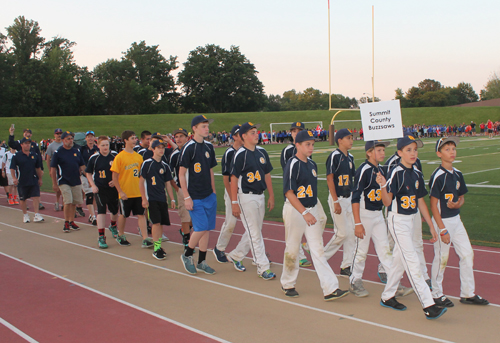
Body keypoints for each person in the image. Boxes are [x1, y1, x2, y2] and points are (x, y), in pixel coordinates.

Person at [378, 134, 447, 319]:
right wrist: (382, 186)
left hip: (410, 219)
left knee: (400, 260)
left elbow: (420, 201)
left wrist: (431, 225)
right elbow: (386, 202)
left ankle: (387, 296)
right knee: (412, 260)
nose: (413, 153)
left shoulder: (416, 173)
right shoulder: (396, 172)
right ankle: (428, 304)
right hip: (397, 220)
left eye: (415, 149)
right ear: (399, 152)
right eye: (408, 150)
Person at [281, 130, 349, 300]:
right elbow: (289, 192)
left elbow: (311, 192)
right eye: (307, 144)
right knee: (293, 247)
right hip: (296, 211)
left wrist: (313, 211)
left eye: (312, 144)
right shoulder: (293, 163)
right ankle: (288, 283)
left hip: (310, 210)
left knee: (318, 249)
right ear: (297, 145)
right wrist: (304, 212)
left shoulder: (312, 165)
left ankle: (330, 288)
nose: (311, 147)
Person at [429, 137, 489, 307]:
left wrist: (458, 203)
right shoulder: (438, 176)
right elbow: (433, 205)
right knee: (442, 257)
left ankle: (468, 293)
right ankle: (436, 294)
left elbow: (461, 198)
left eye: (453, 148)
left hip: (456, 219)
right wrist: (442, 229)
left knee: (467, 253)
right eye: (447, 149)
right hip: (443, 221)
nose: (452, 152)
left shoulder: (458, 174)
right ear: (439, 153)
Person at [349, 140, 412, 298]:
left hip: (377, 214)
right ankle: (355, 280)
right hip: (364, 214)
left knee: (385, 250)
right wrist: (357, 223)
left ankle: (394, 283)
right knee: (361, 250)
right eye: (378, 150)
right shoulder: (363, 170)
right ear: (368, 152)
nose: (382, 153)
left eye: (383, 150)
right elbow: (355, 197)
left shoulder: (381, 170)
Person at [227, 122, 276, 280]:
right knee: (255, 233)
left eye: (256, 132)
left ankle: (236, 255)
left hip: (260, 195)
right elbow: (233, 179)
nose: (257, 134)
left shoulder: (261, 152)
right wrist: (234, 202)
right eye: (252, 132)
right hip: (246, 197)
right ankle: (263, 267)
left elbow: (267, 174)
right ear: (244, 137)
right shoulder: (240, 154)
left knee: (254, 231)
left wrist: (271, 195)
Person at [179, 115, 218, 275]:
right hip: (195, 196)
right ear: (194, 128)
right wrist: (186, 197)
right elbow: (181, 174)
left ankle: (202, 261)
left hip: (208, 194)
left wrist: (214, 191)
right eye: (203, 126)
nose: (207, 129)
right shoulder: (189, 148)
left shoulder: (209, 147)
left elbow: (210, 170)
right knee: (201, 227)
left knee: (207, 229)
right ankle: (187, 255)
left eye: (207, 126)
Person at [321, 128, 356, 275]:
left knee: (352, 233)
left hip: (348, 197)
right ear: (340, 140)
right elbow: (330, 178)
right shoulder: (335, 156)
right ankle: (321, 257)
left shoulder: (351, 157)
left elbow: (352, 178)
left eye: (351, 138)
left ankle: (346, 265)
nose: (351, 140)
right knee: (342, 233)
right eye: (348, 138)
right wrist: (335, 201)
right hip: (338, 198)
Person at [110, 130, 151, 248]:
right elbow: (115, 177)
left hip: (138, 191)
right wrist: (120, 191)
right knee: (123, 215)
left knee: (141, 214)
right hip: (126, 193)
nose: (135, 140)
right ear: (125, 141)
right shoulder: (120, 157)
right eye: (132, 138)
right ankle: (121, 235)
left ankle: (145, 237)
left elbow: (142, 176)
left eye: (135, 138)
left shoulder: (138, 157)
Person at [280, 121, 312, 267]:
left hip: (307, 193)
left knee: (321, 218)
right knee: (293, 228)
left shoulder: (307, 149)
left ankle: (308, 245)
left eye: (299, 130)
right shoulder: (288, 151)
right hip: (294, 193)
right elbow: (288, 173)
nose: (296, 133)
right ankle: (299, 255)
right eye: (294, 131)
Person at [139, 139, 176, 260]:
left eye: (163, 147)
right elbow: (141, 181)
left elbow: (168, 183)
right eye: (158, 147)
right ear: (153, 149)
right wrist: (144, 198)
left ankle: (159, 246)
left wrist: (172, 199)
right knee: (155, 223)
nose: (161, 150)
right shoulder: (147, 163)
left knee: (161, 223)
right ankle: (156, 248)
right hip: (151, 198)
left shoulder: (164, 165)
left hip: (162, 198)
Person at [213, 124, 243, 263]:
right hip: (232, 191)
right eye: (240, 134)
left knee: (253, 225)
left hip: (245, 191)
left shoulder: (246, 151)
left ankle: (258, 256)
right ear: (235, 137)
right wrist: (233, 199)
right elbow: (226, 178)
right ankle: (219, 248)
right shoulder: (229, 153)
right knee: (231, 222)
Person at [85, 136, 119, 249]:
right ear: (98, 146)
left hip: (113, 188)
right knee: (101, 210)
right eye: (103, 145)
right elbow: (88, 173)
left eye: (107, 145)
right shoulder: (94, 158)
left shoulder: (115, 156)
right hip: (100, 188)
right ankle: (101, 236)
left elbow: (121, 171)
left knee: (114, 210)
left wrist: (115, 181)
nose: (105, 147)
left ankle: (113, 225)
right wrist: (93, 185)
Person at [50, 131, 86, 232]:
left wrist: (88, 175)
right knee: (68, 201)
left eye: (71, 138)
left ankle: (71, 221)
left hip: (76, 180)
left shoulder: (76, 151)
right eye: (68, 139)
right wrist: (54, 183)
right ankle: (66, 222)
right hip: (64, 180)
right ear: (63, 140)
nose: (70, 141)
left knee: (75, 201)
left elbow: (82, 166)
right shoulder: (58, 152)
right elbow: (53, 168)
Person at [9, 127, 45, 210]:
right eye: (25, 132)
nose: (26, 133)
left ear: (31, 134)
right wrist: (11, 134)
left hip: (33, 168)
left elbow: (38, 157)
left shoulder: (34, 145)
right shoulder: (19, 143)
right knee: (24, 189)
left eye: (28, 132)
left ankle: (38, 203)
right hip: (23, 167)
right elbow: (11, 144)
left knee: (36, 187)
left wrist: (41, 169)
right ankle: (25, 203)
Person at [169, 128, 193, 250]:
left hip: (194, 188)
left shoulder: (192, 151)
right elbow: (170, 175)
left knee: (195, 216)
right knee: (185, 215)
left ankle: (185, 230)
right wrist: (177, 188)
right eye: (176, 136)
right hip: (182, 189)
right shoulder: (174, 155)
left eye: (181, 136)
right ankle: (186, 240)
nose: (178, 139)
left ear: (187, 138)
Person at [80, 130, 99, 225]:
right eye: (88, 136)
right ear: (86, 138)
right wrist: (86, 173)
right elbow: (80, 162)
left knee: (95, 195)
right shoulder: (82, 149)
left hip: (96, 175)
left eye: (92, 136)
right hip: (85, 174)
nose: (90, 138)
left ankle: (92, 214)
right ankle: (94, 216)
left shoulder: (97, 149)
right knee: (89, 195)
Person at [45, 128, 64, 211]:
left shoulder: (64, 143)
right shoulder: (51, 146)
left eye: (60, 133)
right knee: (57, 186)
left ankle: (64, 203)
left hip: (64, 167)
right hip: (55, 168)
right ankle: (57, 201)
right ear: (54, 135)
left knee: (64, 185)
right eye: (57, 134)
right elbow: (48, 158)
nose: (59, 135)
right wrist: (50, 170)